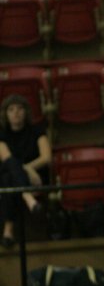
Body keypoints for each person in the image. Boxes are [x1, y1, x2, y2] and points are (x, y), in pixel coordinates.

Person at [0, 94, 51, 248]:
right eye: (11, 109)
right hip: (15, 176)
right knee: (9, 175)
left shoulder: (37, 131)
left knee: (9, 178)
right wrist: (25, 171)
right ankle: (28, 198)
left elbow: (46, 158)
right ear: (5, 114)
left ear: (26, 112)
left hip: (35, 176)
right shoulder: (1, 134)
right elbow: (6, 159)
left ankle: (8, 231)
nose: (16, 113)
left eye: (20, 108)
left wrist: (28, 169)